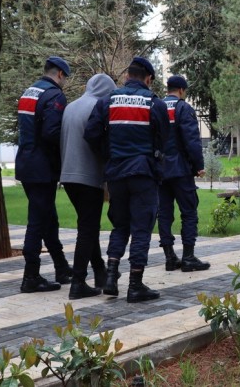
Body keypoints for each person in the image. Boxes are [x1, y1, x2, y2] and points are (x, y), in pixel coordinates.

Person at [84, 57, 169, 303]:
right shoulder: (154, 103)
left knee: (120, 226)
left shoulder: (107, 101)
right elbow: (163, 140)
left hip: (117, 175)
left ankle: (110, 279)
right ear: (148, 78)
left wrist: (110, 154)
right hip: (143, 173)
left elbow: (91, 133)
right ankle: (135, 285)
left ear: (126, 76)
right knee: (141, 228)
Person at [15, 56, 73, 293]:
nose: (65, 83)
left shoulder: (29, 92)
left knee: (48, 218)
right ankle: (31, 275)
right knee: (38, 221)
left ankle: (61, 267)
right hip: (42, 167)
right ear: (59, 73)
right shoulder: (54, 95)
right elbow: (52, 132)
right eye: (65, 78)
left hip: (27, 163)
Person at [60, 74, 116, 299]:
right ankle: (79, 282)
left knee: (88, 225)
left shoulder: (71, 106)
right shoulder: (98, 106)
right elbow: (99, 141)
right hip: (88, 175)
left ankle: (100, 272)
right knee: (87, 229)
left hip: (68, 175)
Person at [157, 75, 210, 272]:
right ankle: (188, 257)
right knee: (188, 212)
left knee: (164, 214)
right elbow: (192, 140)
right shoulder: (183, 108)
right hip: (180, 170)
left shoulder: (157, 106)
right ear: (181, 90)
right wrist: (199, 165)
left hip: (160, 170)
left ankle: (170, 257)